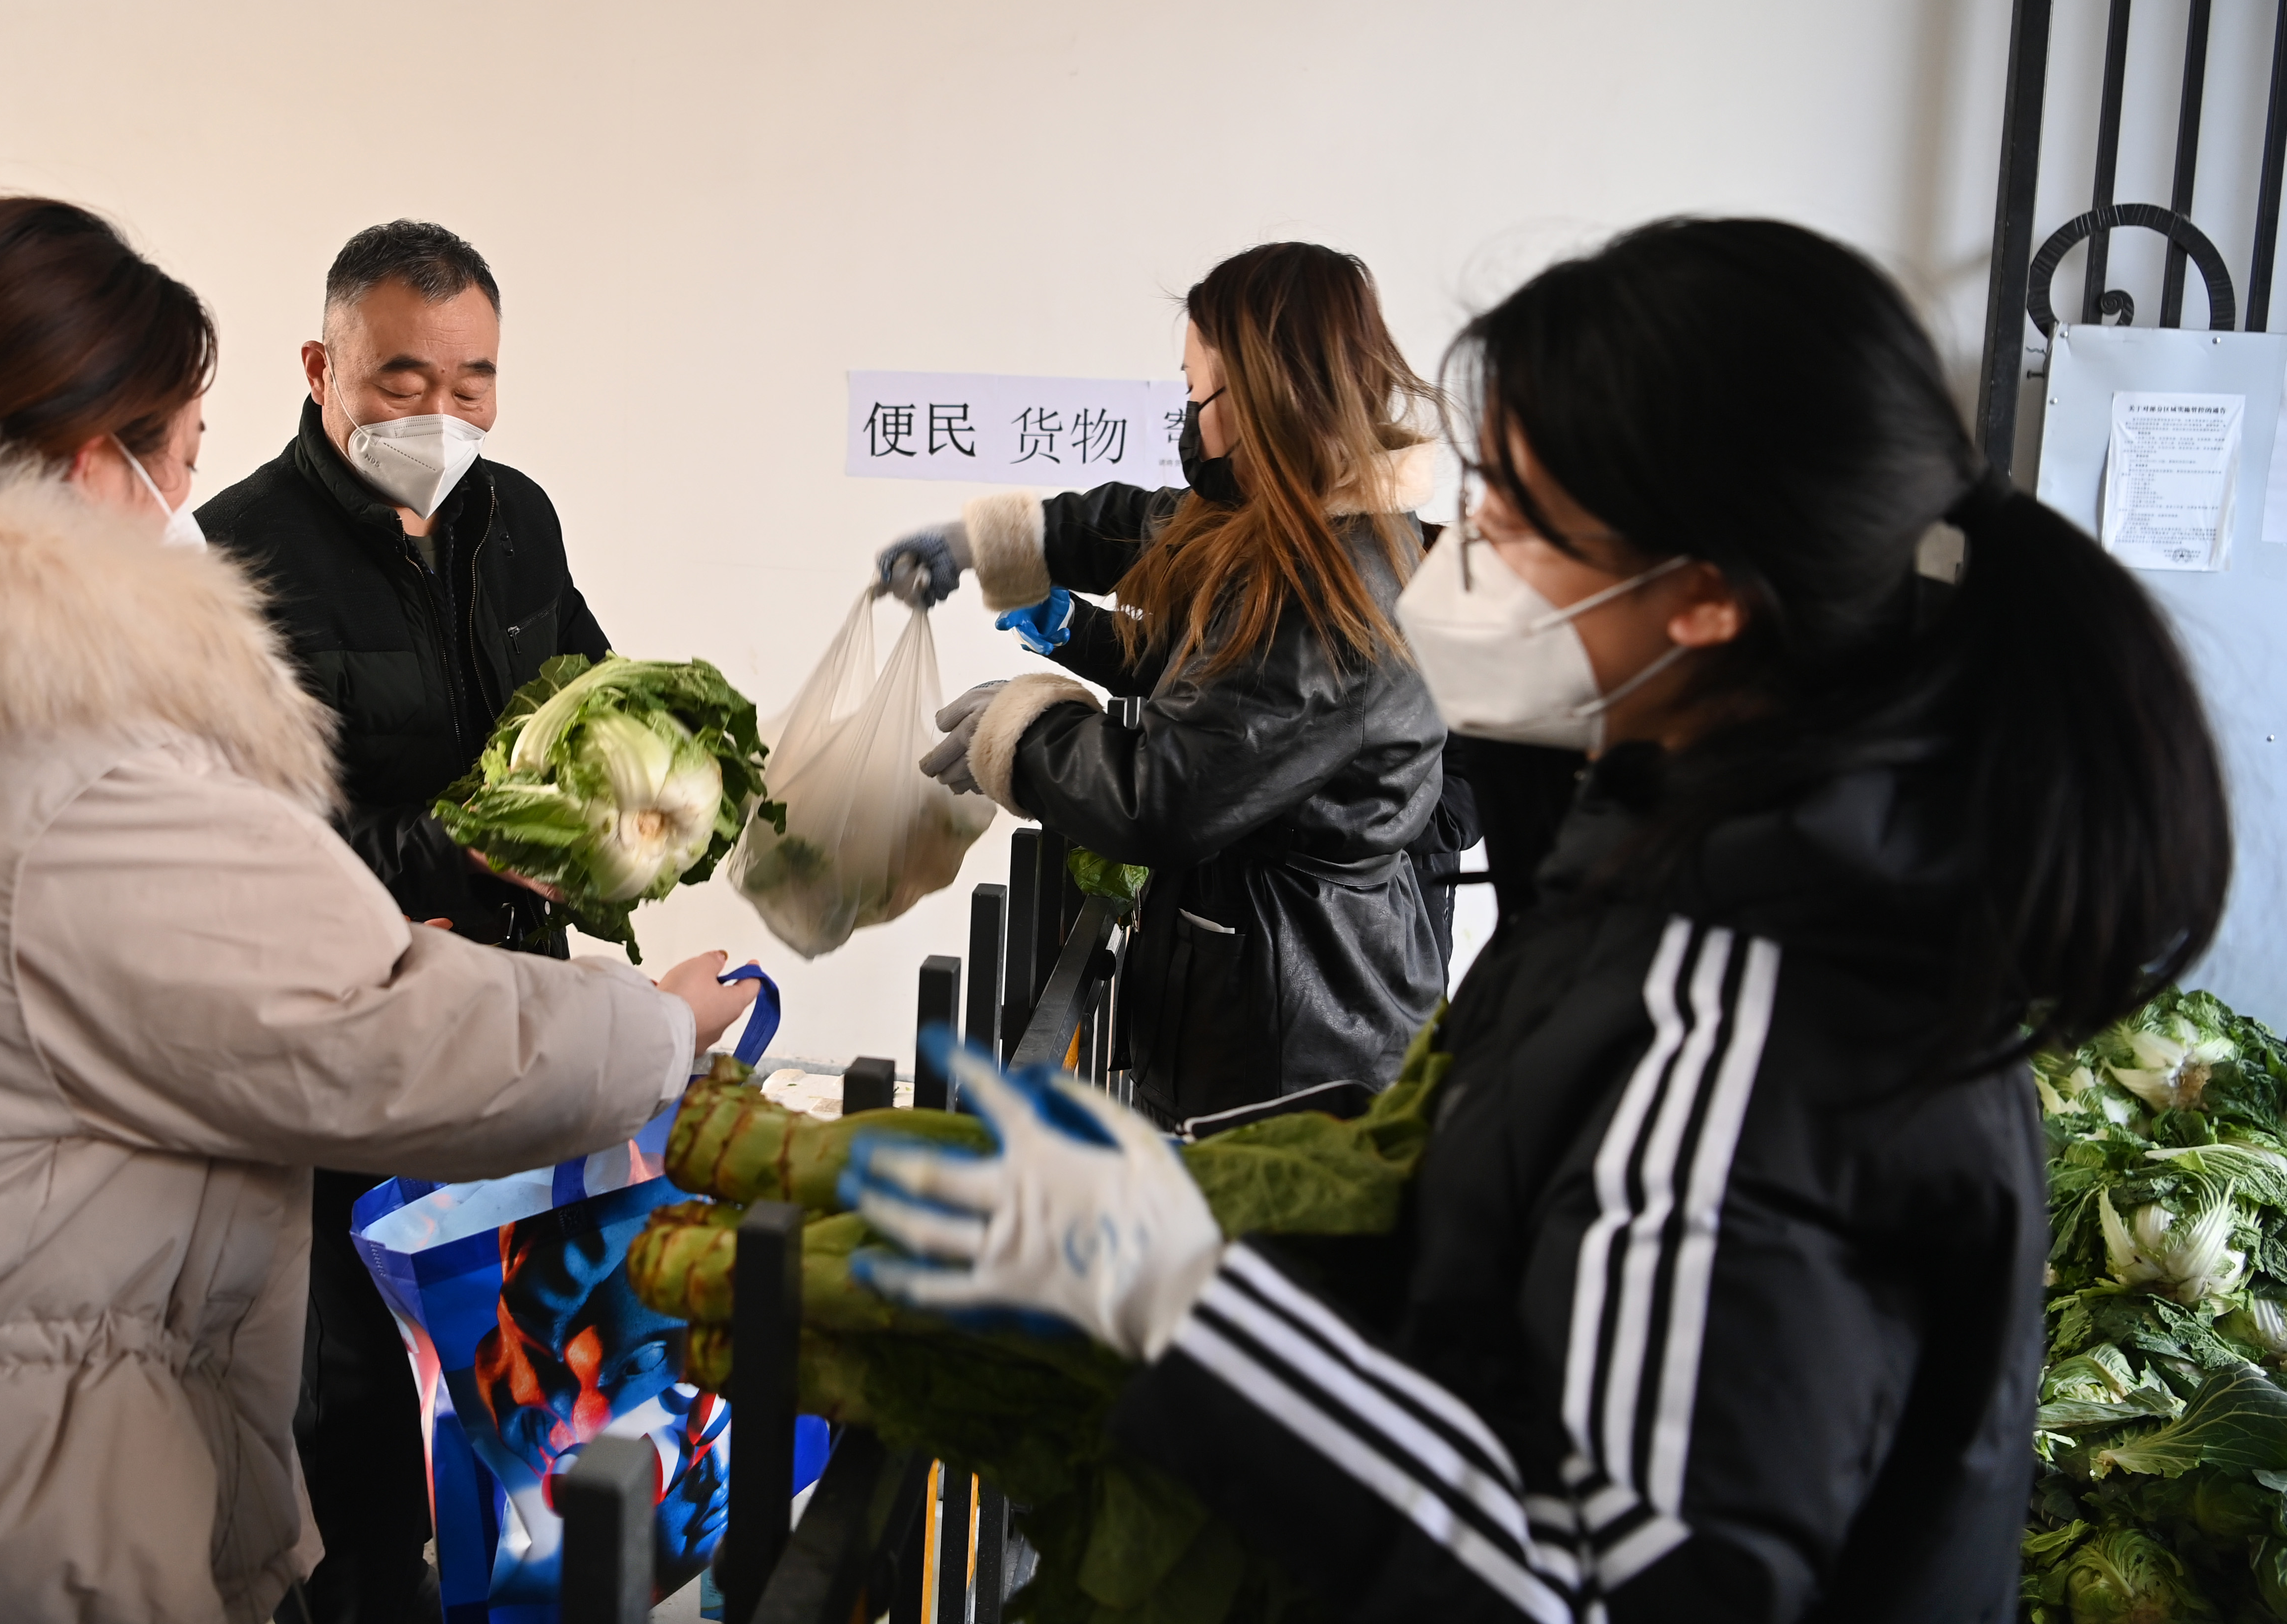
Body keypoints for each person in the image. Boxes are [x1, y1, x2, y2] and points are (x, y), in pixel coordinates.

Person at [844, 218, 2231, 1620]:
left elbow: (1594, 1584)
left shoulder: (1759, 1021)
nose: (1460, 551)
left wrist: (1189, 1301)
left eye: (1514, 511)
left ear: (1701, 598)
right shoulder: (1669, 854)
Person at [0, 193, 758, 1624]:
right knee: (358, 1417)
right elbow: (376, 1030)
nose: (179, 514)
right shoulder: (60, 775)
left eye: (473, 380)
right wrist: (652, 1031)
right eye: (178, 460)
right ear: (90, 465)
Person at [197, 220, 615, 1622]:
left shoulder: (519, 519)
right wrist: (467, 855)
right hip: (351, 1044)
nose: (442, 412)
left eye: (472, 379)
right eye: (401, 379)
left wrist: (636, 808)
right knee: (358, 1389)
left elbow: (590, 697)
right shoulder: (239, 553)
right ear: (321, 368)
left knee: (516, 1358)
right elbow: (254, 850)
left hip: (512, 1021)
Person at [877, 242, 1456, 1129]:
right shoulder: (1287, 520)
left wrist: (1021, 731)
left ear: (1263, 397)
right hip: (1253, 984)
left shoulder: (1323, 592)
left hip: (1292, 1042)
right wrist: (991, 544)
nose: (1189, 420)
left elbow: (1162, 794)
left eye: (1198, 395)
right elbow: (1147, 528)